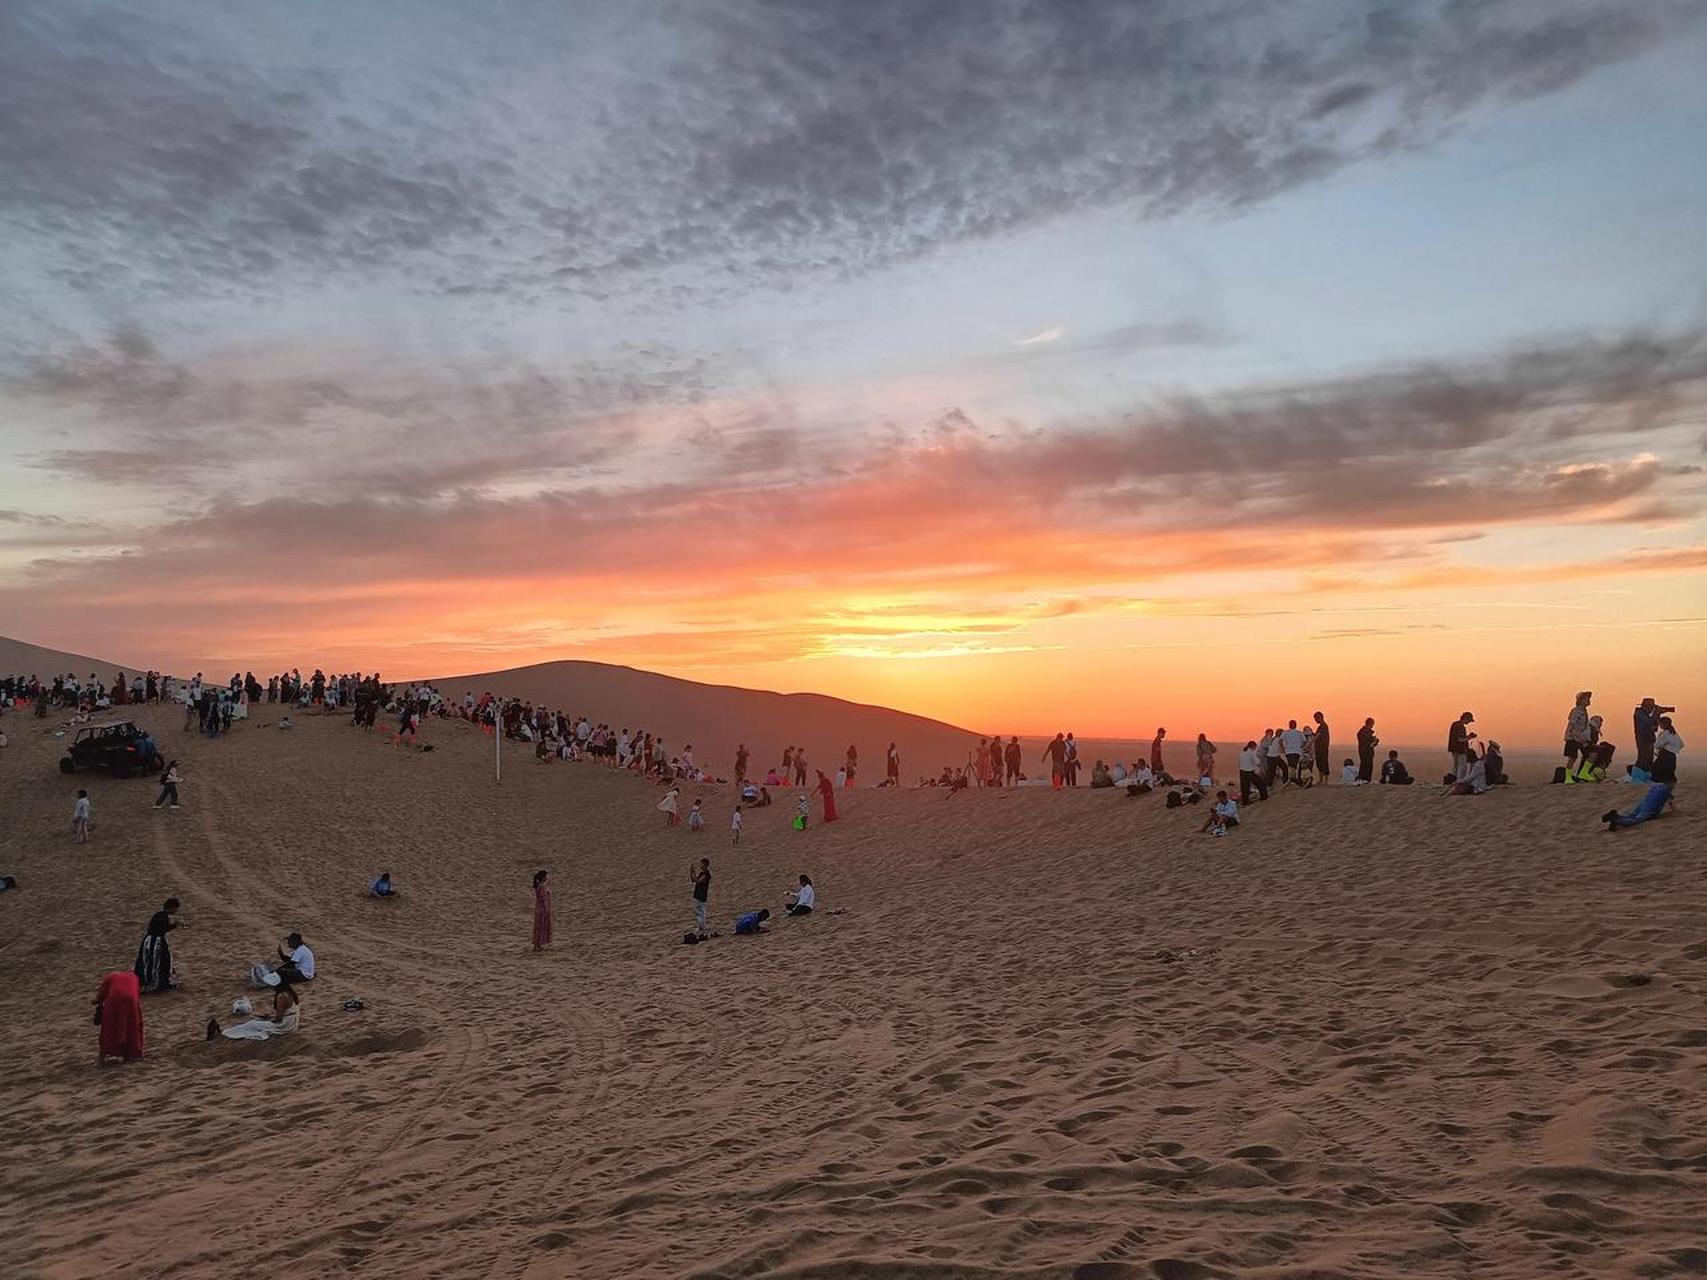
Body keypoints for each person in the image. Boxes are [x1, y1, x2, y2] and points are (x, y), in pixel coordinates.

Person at [94, 970, 145, 1065]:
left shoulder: (111, 976)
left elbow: (101, 994)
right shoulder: (134, 978)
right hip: (131, 1001)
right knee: (131, 1025)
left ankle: (102, 1057)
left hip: (114, 999)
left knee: (109, 1026)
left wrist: (96, 1001)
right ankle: (130, 1054)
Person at [222, 980, 301, 1040]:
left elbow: (278, 1019)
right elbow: (285, 1011)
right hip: (292, 1022)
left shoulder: (281, 996)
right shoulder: (290, 993)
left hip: (285, 1025)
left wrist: (270, 1019)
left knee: (252, 1024)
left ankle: (227, 1034)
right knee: (257, 1020)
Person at [135, 897, 184, 992]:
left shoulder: (159, 915)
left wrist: (174, 925)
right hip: (155, 942)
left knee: (150, 961)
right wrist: (175, 925)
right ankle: (157, 983)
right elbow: (161, 930)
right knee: (159, 962)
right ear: (172, 908)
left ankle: (148, 981)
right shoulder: (163, 916)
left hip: (151, 941)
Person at [1603, 782, 1674, 831]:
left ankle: (1617, 816)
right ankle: (1618, 821)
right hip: (1649, 808)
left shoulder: (1656, 786)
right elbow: (1671, 803)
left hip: (1643, 803)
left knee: (1632, 815)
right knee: (1638, 820)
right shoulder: (1667, 790)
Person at [1632, 697, 1674, 773]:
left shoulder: (1645, 715)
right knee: (1643, 758)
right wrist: (1656, 713)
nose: (1652, 710)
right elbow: (1648, 723)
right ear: (1646, 707)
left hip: (1648, 739)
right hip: (1643, 740)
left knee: (1648, 759)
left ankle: (1645, 775)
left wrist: (1657, 716)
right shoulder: (1639, 714)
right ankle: (1637, 775)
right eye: (1652, 708)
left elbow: (1653, 727)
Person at [1564, 691, 1593, 771]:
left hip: (1581, 738)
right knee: (1572, 758)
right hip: (1573, 738)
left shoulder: (1584, 711)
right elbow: (1573, 725)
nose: (1588, 700)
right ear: (1580, 700)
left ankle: (1583, 773)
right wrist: (1579, 739)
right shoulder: (1576, 711)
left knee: (1590, 754)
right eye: (1586, 698)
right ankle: (1568, 777)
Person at [1652, 715, 1683, 785]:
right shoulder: (1674, 733)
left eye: (1660, 723)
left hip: (1665, 755)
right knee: (1670, 772)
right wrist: (1673, 749)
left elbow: (1657, 745)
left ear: (1664, 724)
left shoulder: (1664, 733)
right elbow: (1681, 744)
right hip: (1672, 755)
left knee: (1657, 771)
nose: (1659, 725)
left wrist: (1664, 747)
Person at [1448, 712, 1476, 777]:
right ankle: (1460, 781)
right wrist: (1470, 737)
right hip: (1460, 750)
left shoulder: (1455, 724)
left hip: (1454, 749)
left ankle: (1455, 780)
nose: (1469, 722)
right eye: (1469, 720)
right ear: (1466, 718)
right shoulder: (1460, 726)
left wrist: (1468, 737)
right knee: (1462, 767)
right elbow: (1460, 739)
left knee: (1456, 767)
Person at [690, 858, 711, 934]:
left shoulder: (706, 874)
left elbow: (698, 881)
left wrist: (693, 872)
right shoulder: (702, 873)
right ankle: (700, 926)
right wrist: (692, 872)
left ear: (705, 865)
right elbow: (694, 880)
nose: (700, 865)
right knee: (698, 911)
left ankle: (701, 927)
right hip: (698, 895)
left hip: (702, 895)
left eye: (701, 864)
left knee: (700, 911)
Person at [532, 871, 551, 951]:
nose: (547, 877)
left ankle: (538, 944)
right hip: (542, 909)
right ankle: (537, 945)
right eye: (546, 876)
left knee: (539, 927)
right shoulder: (542, 886)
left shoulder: (539, 886)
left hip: (539, 908)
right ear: (543, 877)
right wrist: (547, 909)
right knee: (541, 926)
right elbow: (543, 899)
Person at [1356, 718, 1378, 783]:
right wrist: (1373, 740)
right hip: (1365, 751)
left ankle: (1366, 780)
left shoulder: (1367, 732)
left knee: (1368, 766)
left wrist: (1375, 741)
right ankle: (1363, 779)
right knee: (1365, 766)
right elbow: (1365, 742)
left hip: (1368, 751)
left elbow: (1372, 743)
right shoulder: (1362, 732)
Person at [1312, 711, 1331, 781]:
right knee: (1320, 763)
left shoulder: (1323, 726)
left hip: (1322, 748)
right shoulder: (1321, 726)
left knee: (1323, 762)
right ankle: (1321, 779)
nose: (1315, 720)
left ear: (1319, 717)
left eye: (1315, 719)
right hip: (1320, 748)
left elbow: (1317, 737)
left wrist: (1310, 743)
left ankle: (1324, 780)